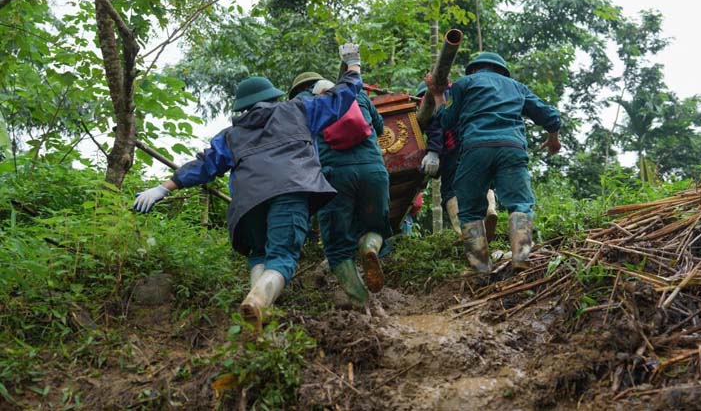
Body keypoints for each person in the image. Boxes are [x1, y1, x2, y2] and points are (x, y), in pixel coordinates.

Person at [133, 44, 363, 329]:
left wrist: (162, 188)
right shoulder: (299, 110)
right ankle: (257, 302)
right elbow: (343, 95)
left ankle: (261, 325)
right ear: (272, 97)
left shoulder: (231, 135)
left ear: (243, 106)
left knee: (260, 254)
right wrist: (353, 64)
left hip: (247, 204)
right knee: (282, 257)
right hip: (290, 190)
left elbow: (204, 165)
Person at [426, 52, 561, 273]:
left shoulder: (464, 84)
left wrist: (439, 96)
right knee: (520, 203)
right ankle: (522, 255)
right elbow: (550, 116)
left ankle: (481, 267)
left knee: (469, 208)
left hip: (475, 149)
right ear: (502, 71)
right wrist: (553, 139)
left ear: (473, 70)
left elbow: (447, 121)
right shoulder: (516, 87)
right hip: (512, 148)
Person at [290, 72, 391, 308]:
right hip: (374, 171)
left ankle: (361, 302)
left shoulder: (299, 106)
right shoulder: (356, 95)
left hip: (334, 176)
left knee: (337, 246)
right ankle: (369, 247)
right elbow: (380, 128)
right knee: (376, 227)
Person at [416, 82, 498, 240]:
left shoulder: (431, 106)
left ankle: (465, 232)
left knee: (450, 191)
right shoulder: (461, 98)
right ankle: (489, 211)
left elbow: (436, 131)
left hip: (453, 153)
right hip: (477, 144)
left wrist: (433, 153)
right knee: (483, 179)